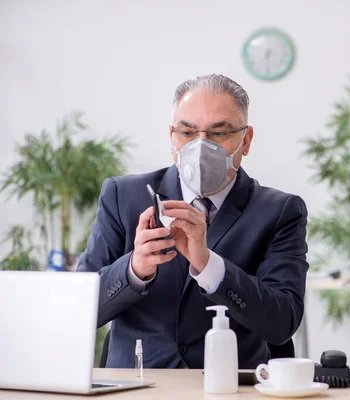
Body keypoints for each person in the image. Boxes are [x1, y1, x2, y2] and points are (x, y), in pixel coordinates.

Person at [77, 74, 309, 369]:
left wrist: (209, 265)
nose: (200, 147)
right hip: (137, 386)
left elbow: (282, 322)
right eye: (187, 133)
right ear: (172, 137)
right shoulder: (124, 196)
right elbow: (79, 310)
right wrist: (135, 268)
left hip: (229, 387)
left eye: (218, 134)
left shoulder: (279, 211)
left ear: (246, 140)